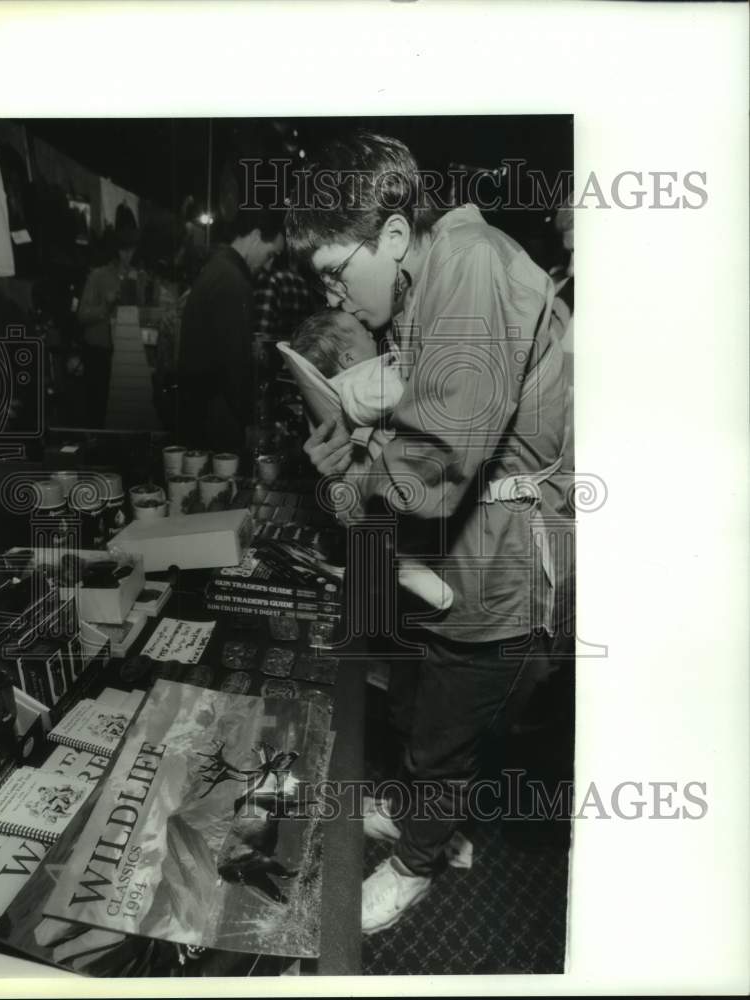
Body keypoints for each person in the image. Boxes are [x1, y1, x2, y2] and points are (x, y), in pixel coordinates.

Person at [285, 132, 573, 935]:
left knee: (449, 720)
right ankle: (428, 820)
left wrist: (357, 470)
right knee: (425, 708)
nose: (337, 298)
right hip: (459, 547)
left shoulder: (469, 260)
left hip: (498, 554)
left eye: (339, 273)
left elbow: (440, 455)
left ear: (397, 235)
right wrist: (341, 459)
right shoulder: (428, 281)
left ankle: (420, 860)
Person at [291, 308, 454, 610]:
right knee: (404, 521)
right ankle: (410, 567)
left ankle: (411, 566)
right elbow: (368, 403)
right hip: (382, 477)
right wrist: (414, 386)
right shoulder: (360, 380)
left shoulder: (359, 373)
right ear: (348, 359)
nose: (369, 332)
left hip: (380, 481)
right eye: (360, 331)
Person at [176, 209, 285, 451]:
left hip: (199, 409)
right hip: (216, 417)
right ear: (256, 236)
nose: (269, 265)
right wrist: (251, 423)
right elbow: (234, 365)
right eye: (270, 255)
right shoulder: (234, 280)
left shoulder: (219, 267)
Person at [76, 226, 138, 426]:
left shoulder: (138, 276)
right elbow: (82, 314)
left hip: (126, 351)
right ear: (116, 251)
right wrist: (105, 306)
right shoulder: (99, 276)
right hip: (99, 351)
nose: (128, 255)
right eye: (123, 250)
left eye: (131, 250)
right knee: (98, 407)